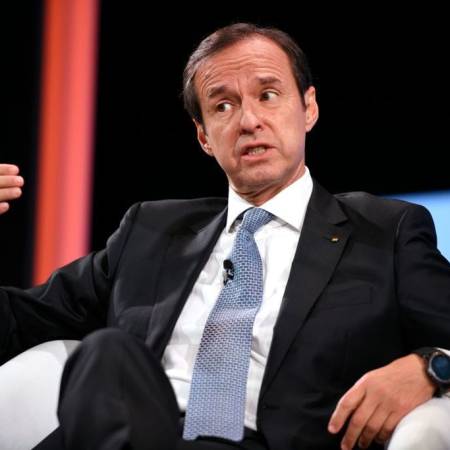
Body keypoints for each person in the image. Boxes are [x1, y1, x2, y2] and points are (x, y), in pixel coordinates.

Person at [1, 23, 450, 450]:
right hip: (142, 432)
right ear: (204, 137)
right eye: (222, 106)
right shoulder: (149, 230)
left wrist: (431, 366)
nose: (249, 120)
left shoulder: (386, 231)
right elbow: (17, 323)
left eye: (268, 95)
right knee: (109, 356)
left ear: (308, 108)